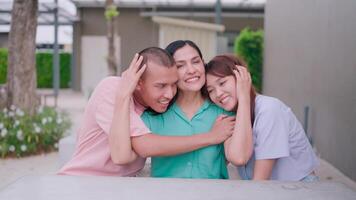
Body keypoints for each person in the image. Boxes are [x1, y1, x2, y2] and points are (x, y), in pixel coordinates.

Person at [58, 47, 232, 176]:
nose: (170, 94)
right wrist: (211, 137)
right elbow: (123, 155)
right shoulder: (112, 88)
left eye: (173, 84)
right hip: (80, 183)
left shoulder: (152, 108)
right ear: (138, 83)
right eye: (161, 86)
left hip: (116, 188)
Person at [140, 40, 253, 179]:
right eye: (181, 65)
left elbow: (239, 158)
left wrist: (244, 98)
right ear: (171, 71)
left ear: (203, 63)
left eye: (195, 61)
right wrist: (211, 137)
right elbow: (136, 151)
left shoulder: (222, 112)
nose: (192, 70)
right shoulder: (154, 115)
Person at [205, 54, 319, 181]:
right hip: (268, 190)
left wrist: (244, 96)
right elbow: (237, 157)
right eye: (210, 90)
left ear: (241, 77)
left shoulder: (269, 109)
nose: (218, 94)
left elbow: (260, 180)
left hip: (299, 189)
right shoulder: (232, 116)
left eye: (222, 83)